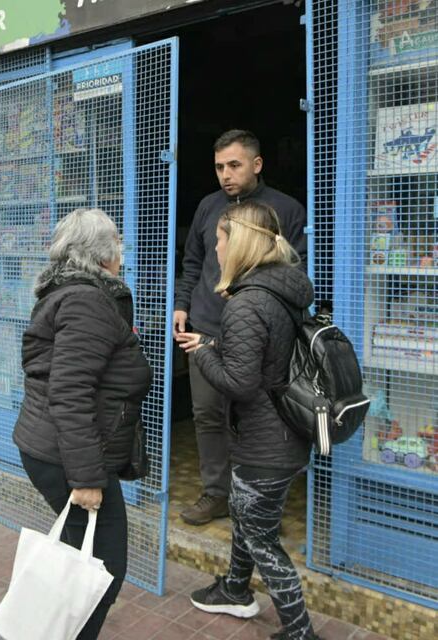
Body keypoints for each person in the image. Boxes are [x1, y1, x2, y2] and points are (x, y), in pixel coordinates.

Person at [176, 201, 319, 640]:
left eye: (219, 239)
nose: (214, 249)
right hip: (287, 433)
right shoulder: (281, 291)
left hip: (264, 444)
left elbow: (239, 383)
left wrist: (201, 352)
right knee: (247, 515)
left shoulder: (244, 302)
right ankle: (235, 590)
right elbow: (264, 356)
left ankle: (300, 631)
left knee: (262, 539)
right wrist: (216, 342)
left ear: (236, 243)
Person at [13, 208, 152, 639]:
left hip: (57, 449)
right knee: (103, 568)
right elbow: (70, 391)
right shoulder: (86, 301)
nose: (122, 250)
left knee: (84, 560)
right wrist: (87, 477)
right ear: (104, 251)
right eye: (118, 242)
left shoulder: (76, 294)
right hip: (68, 457)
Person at [174, 129, 307, 525]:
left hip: (258, 332)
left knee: (258, 419)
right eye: (219, 167)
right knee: (208, 415)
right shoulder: (207, 207)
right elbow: (192, 262)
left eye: (234, 164)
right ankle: (216, 494)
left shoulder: (286, 209)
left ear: (257, 164)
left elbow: (292, 271)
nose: (225, 174)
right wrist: (182, 304)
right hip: (204, 326)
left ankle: (256, 503)